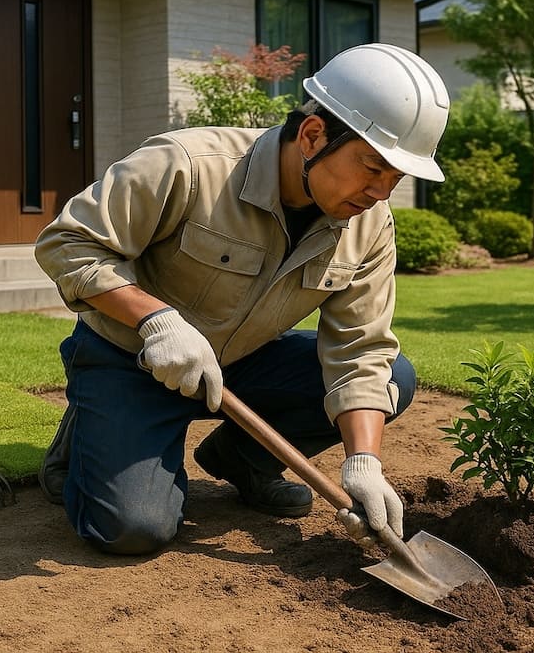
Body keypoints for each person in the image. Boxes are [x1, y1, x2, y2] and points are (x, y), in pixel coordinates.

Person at [34, 43, 451, 555]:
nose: (382, 192)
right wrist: (156, 321)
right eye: (373, 168)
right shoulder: (188, 165)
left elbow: (360, 350)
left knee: (393, 376)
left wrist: (363, 461)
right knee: (133, 528)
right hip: (131, 359)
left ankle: (243, 460)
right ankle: (84, 434)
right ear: (314, 136)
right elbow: (67, 242)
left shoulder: (369, 227)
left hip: (241, 363)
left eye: (396, 177)